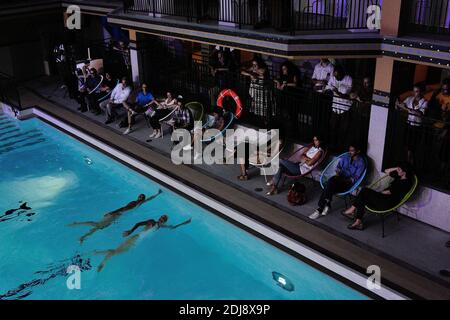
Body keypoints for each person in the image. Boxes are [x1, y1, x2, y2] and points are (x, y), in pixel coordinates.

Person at [94, 215, 192, 272]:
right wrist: (130, 231)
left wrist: (185, 222)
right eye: (161, 218)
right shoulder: (152, 222)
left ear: (164, 221)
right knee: (116, 251)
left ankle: (101, 258)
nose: (161, 220)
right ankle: (100, 259)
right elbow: (139, 223)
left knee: (117, 252)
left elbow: (172, 227)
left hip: (137, 241)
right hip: (135, 238)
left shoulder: (159, 226)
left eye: (163, 220)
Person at [68, 190, 162, 244]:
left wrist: (157, 194)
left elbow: (150, 199)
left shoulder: (139, 204)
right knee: (97, 224)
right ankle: (77, 223)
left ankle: (83, 237)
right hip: (116, 215)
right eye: (140, 197)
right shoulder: (134, 203)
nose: (141, 198)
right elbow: (123, 208)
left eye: (142, 197)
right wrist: (111, 212)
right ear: (138, 197)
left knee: (100, 227)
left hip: (117, 217)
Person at [342, 164, 413, 230]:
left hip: (387, 202)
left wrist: (376, 193)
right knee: (363, 196)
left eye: (399, 170)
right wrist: (397, 168)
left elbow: (388, 192)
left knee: (365, 191)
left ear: (405, 172)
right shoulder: (399, 177)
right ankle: (358, 221)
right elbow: (386, 171)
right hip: (383, 198)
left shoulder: (406, 183)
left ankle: (352, 210)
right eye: (398, 169)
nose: (397, 170)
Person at [309, 144, 365, 220]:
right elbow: (338, 167)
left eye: (352, 150)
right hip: (338, 179)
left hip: (347, 183)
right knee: (331, 183)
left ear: (358, 151)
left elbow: (355, 178)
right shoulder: (346, 157)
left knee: (329, 183)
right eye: (349, 150)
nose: (349, 152)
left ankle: (322, 207)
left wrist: (343, 179)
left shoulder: (361, 162)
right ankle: (324, 205)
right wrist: (338, 172)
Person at [395, 83, 428, 164]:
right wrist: (399, 105)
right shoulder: (410, 98)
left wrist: (407, 109)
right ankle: (407, 163)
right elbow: (400, 106)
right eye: (414, 91)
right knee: (406, 146)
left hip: (417, 127)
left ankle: (410, 164)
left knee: (412, 148)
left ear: (422, 92)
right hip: (408, 124)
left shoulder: (425, 102)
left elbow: (420, 113)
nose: (415, 93)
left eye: (417, 91)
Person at [325, 65, 353, 151]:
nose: (336, 78)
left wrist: (337, 90)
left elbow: (346, 93)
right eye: (335, 76)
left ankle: (341, 147)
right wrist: (331, 89)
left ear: (342, 74)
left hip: (345, 107)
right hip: (335, 106)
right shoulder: (333, 78)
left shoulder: (348, 79)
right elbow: (328, 87)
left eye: (338, 76)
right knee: (333, 127)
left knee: (343, 129)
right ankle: (333, 145)